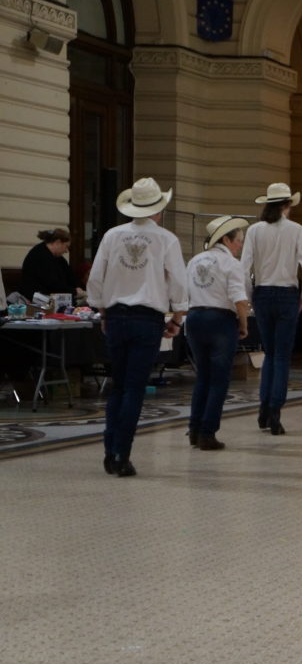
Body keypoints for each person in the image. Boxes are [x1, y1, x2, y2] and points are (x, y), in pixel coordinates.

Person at [87, 177, 188, 477]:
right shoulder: (166, 239)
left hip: (116, 316)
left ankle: (109, 450)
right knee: (134, 388)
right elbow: (179, 282)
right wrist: (177, 319)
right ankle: (122, 453)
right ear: (158, 209)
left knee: (118, 385)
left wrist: (104, 312)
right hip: (147, 319)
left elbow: (96, 278)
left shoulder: (112, 236)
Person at [240, 183, 302, 436]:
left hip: (262, 293)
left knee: (269, 353)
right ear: (287, 205)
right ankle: (275, 412)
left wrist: (251, 296)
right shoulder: (297, 230)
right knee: (282, 356)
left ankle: (264, 407)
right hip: (287, 295)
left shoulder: (254, 231)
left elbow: (244, 269)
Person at [185, 216, 250, 451]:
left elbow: (185, 292)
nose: (240, 245)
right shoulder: (231, 263)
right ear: (225, 239)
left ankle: (194, 429)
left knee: (203, 376)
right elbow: (239, 299)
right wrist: (243, 325)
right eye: (238, 241)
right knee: (219, 380)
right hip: (220, 321)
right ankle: (207, 433)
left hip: (194, 319)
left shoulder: (194, 260)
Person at [19, 227, 84, 300]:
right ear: (58, 242)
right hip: (38, 300)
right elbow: (52, 284)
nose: (66, 251)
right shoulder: (40, 255)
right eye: (66, 246)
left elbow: (69, 275)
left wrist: (76, 287)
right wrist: (74, 291)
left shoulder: (56, 257)